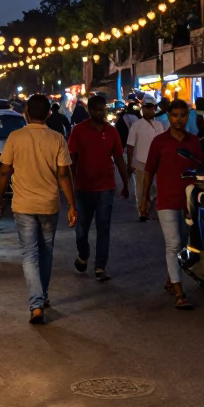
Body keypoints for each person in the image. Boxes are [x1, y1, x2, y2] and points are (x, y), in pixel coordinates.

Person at [0, 93, 77, 324]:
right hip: (49, 204)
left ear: (26, 112)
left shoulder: (15, 137)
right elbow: (63, 175)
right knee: (46, 251)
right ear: (49, 113)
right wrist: (72, 204)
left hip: (23, 205)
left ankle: (36, 304)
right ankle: (42, 296)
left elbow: (4, 171)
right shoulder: (57, 138)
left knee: (29, 254)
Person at [139, 99, 202, 310]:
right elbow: (148, 172)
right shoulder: (159, 142)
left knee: (184, 245)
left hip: (189, 202)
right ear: (168, 116)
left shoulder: (194, 142)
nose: (178, 120)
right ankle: (179, 292)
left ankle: (170, 278)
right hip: (166, 201)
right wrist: (144, 199)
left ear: (188, 116)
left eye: (183, 115)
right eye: (174, 115)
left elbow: (202, 170)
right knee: (173, 244)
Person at [69, 93, 129, 281]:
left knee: (103, 229)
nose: (100, 113)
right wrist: (70, 184)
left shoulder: (111, 132)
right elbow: (73, 160)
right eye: (96, 110)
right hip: (83, 188)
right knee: (81, 229)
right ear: (90, 110)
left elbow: (119, 158)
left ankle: (100, 267)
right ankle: (83, 254)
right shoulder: (78, 130)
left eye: (102, 110)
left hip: (105, 188)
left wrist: (126, 182)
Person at [126, 99, 165, 212]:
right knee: (140, 188)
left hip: (157, 162)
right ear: (142, 109)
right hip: (141, 161)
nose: (149, 110)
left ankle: (149, 204)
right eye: (146, 107)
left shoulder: (159, 124)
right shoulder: (136, 125)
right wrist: (130, 162)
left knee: (156, 187)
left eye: (151, 107)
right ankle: (142, 210)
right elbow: (130, 145)